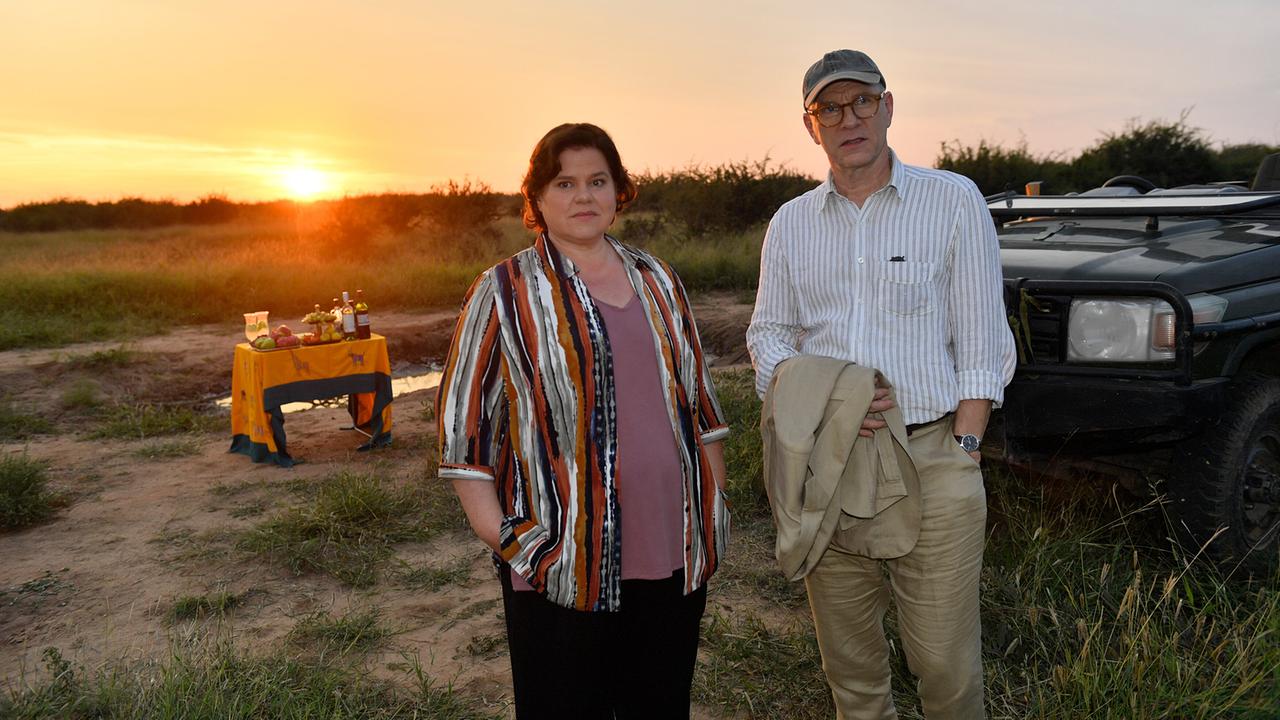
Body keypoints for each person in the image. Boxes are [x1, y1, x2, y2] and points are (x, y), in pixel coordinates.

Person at [747, 50, 1016, 719]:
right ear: (811, 126)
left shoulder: (952, 201)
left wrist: (965, 447)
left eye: (862, 102)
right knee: (854, 672)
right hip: (827, 464)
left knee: (946, 669)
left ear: (888, 107)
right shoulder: (790, 224)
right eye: (829, 108)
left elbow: (983, 340)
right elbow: (768, 335)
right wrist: (821, 397)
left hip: (933, 455)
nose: (849, 119)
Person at [436, 122, 731, 719]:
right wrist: (515, 543)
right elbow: (464, 439)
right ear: (537, 198)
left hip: (672, 549)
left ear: (618, 191)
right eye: (565, 182)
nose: (584, 196)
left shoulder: (658, 279)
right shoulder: (502, 291)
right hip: (564, 559)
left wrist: (715, 506)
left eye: (598, 181)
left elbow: (700, 410)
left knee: (660, 706)